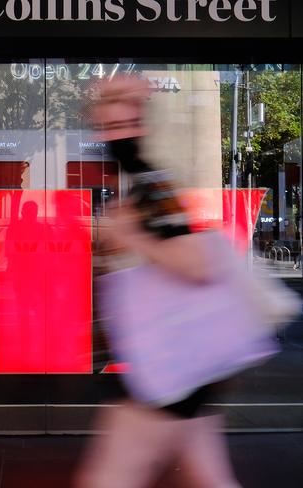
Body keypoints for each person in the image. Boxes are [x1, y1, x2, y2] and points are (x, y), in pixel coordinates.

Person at [73, 76, 241, 488]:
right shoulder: (142, 184)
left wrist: (129, 237)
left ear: (140, 123)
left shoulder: (152, 182)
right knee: (209, 477)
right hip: (182, 366)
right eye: (105, 124)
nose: (107, 131)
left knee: (108, 479)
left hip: (168, 371)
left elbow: (196, 262)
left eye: (117, 123)